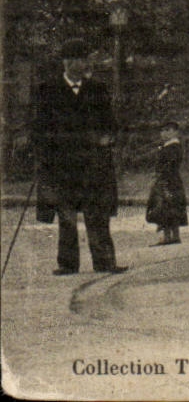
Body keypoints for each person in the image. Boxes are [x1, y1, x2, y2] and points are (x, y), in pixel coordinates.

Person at [33, 39, 125, 274]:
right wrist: (45, 156)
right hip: (63, 166)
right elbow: (39, 128)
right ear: (66, 62)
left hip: (93, 165)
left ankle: (105, 262)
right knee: (66, 217)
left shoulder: (97, 89)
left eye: (84, 59)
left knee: (98, 215)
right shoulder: (48, 90)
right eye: (77, 59)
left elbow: (111, 125)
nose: (82, 63)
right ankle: (67, 264)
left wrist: (107, 139)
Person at [144, 120, 187, 245]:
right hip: (169, 179)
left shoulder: (173, 147)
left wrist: (160, 177)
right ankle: (172, 235)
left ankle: (170, 236)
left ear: (176, 132)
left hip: (169, 179)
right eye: (162, 130)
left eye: (168, 130)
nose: (164, 133)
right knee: (169, 206)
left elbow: (168, 165)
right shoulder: (168, 147)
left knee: (167, 205)